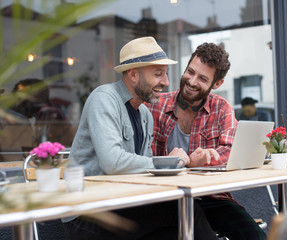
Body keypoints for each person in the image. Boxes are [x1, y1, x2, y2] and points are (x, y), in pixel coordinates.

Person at [62, 37, 218, 240]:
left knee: (176, 230)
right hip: (87, 214)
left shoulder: (144, 114)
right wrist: (171, 162)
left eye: (166, 74)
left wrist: (186, 164)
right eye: (158, 74)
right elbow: (112, 161)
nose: (166, 82)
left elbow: (145, 174)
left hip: (123, 205)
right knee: (179, 207)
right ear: (133, 74)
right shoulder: (103, 99)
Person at [146, 42, 267, 239]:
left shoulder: (221, 108)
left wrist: (202, 161)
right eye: (190, 71)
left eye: (202, 78)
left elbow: (231, 151)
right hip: (164, 199)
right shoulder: (154, 106)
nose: (192, 81)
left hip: (211, 198)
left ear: (217, 84)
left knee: (256, 237)